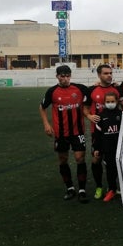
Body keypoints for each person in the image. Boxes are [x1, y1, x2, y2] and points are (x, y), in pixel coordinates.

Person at [39, 65, 90, 203]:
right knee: (63, 159)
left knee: (80, 158)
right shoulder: (52, 91)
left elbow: (93, 92)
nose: (65, 79)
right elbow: (42, 107)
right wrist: (46, 124)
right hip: (61, 134)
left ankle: (82, 190)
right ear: (57, 76)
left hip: (77, 131)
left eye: (68, 76)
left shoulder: (80, 88)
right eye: (62, 76)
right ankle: (70, 188)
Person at [83, 64, 123, 200]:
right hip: (98, 131)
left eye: (110, 73)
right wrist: (89, 116)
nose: (109, 75)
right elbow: (85, 108)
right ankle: (99, 186)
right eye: (106, 73)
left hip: (115, 132)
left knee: (114, 160)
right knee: (96, 159)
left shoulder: (117, 89)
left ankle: (113, 187)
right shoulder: (92, 90)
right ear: (99, 75)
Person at [91, 91, 122, 202]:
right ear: (104, 102)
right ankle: (112, 189)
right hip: (107, 148)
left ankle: (122, 188)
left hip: (120, 147)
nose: (110, 103)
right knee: (110, 169)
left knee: (120, 168)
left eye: (112, 101)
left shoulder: (122, 114)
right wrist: (97, 148)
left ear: (117, 101)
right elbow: (97, 135)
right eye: (108, 101)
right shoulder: (100, 116)